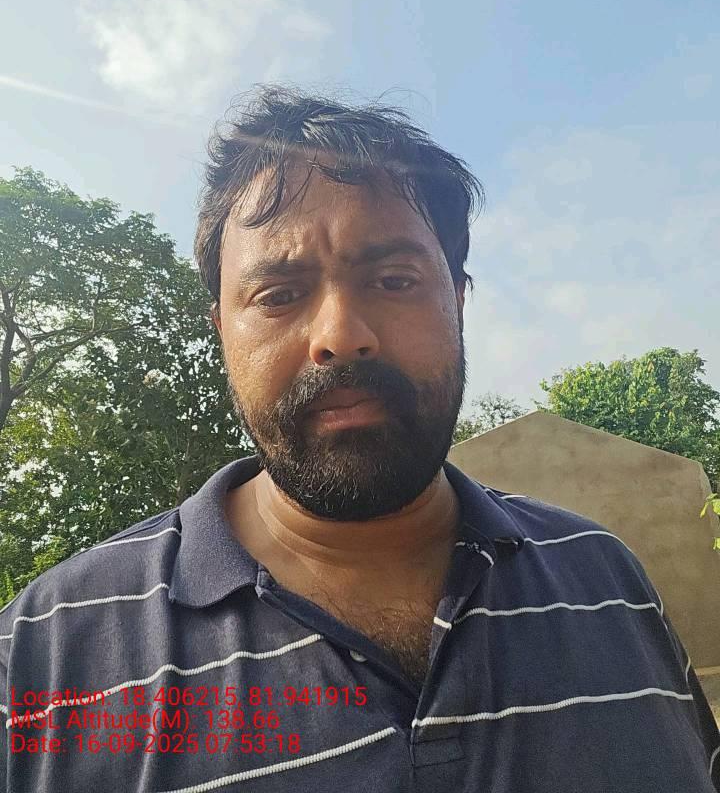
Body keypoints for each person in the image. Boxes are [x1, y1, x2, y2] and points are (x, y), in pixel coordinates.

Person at [1, 86, 718, 792]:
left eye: (394, 280)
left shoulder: (605, 578)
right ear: (221, 331)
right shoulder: (42, 657)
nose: (341, 336)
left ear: (458, 301)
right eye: (279, 295)